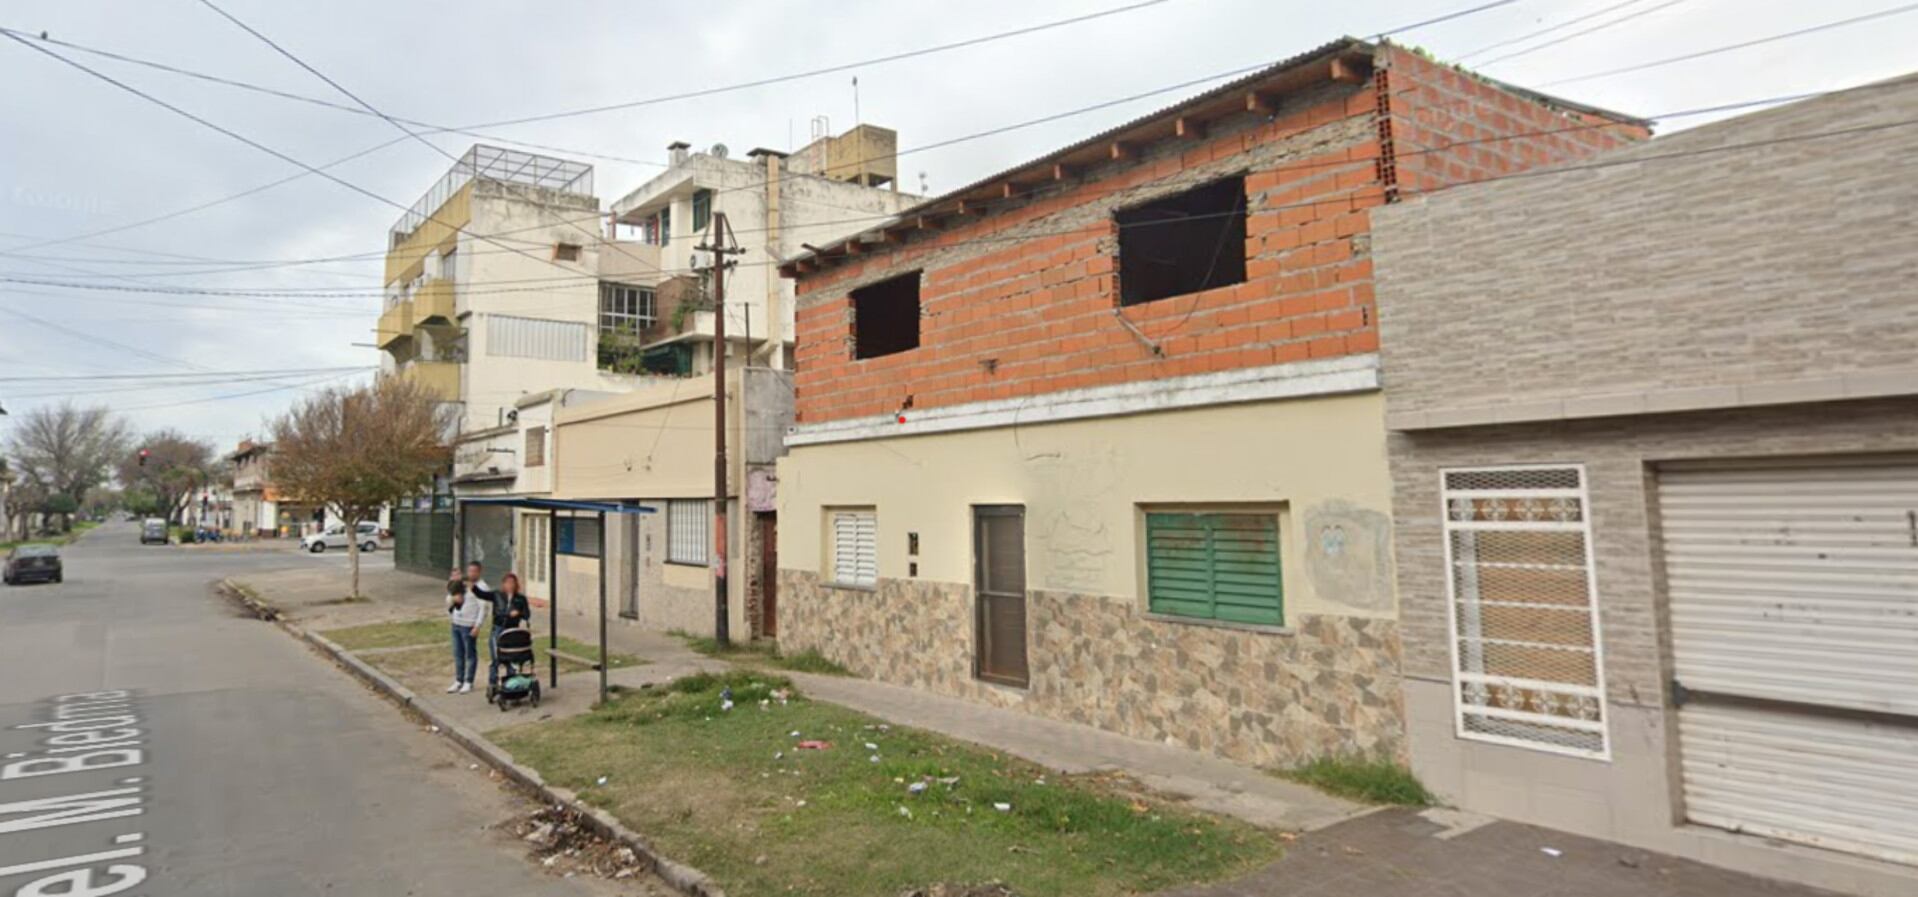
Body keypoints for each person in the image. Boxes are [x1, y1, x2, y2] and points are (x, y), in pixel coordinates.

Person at [487, 572, 533, 694]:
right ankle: (493, 683)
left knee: (513, 657)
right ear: (503, 584)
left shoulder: (520, 599)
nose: (510, 585)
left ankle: (512, 683)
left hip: (513, 630)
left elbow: (527, 614)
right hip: (498, 628)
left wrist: (519, 613)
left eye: (512, 583)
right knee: (497, 658)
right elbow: (482, 594)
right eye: (507, 583)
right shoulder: (497, 595)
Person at [445, 578, 484, 694]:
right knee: (458, 654)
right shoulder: (453, 598)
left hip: (468, 626)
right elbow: (449, 609)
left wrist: (477, 625)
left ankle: (468, 681)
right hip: (456, 625)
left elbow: (483, 608)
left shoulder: (472, 593)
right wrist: (452, 600)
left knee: (470, 654)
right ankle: (459, 680)